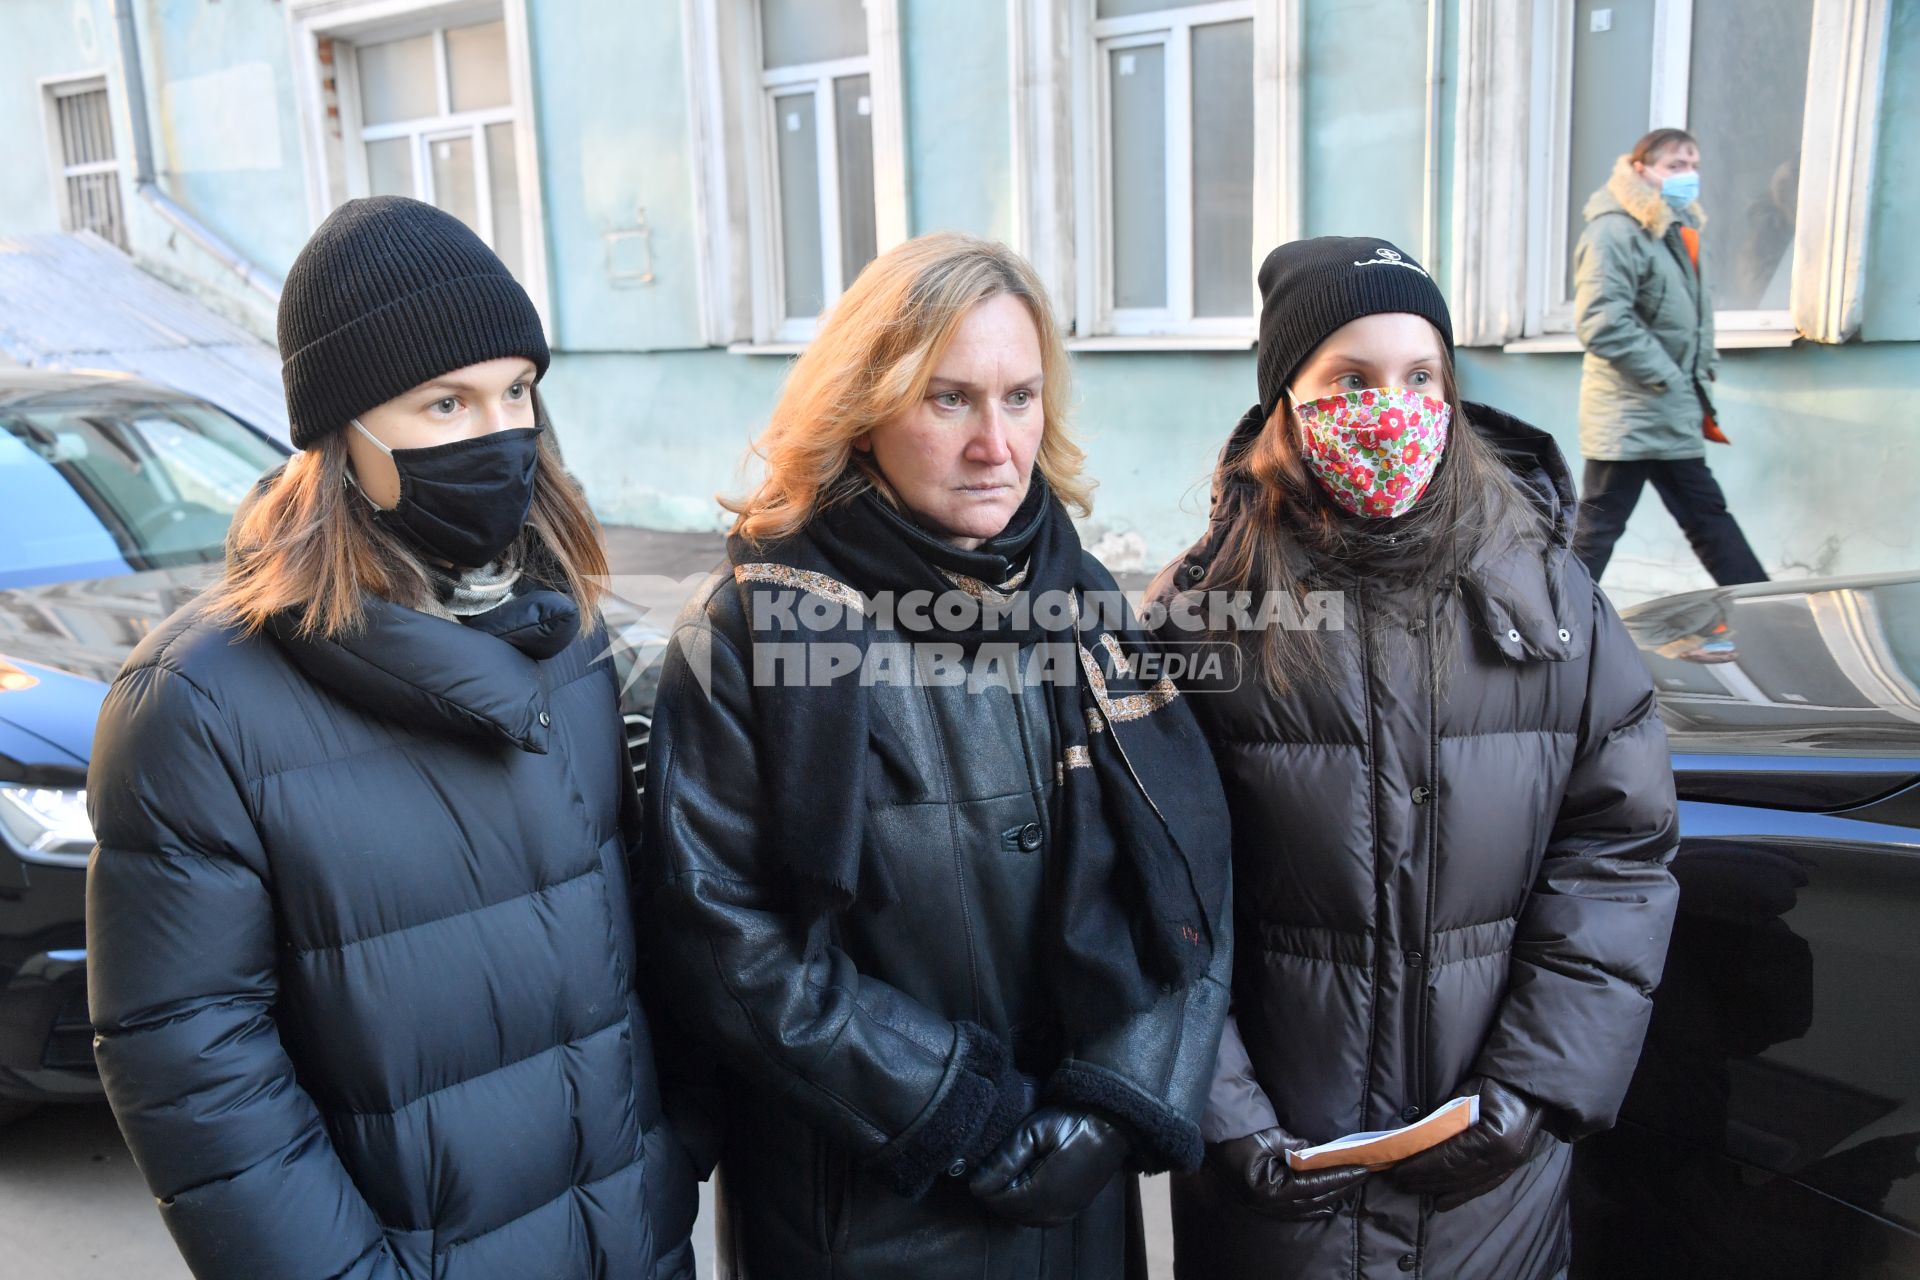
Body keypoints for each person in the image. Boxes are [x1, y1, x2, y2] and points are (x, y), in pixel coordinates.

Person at [85, 197, 698, 1279]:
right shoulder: (196, 703)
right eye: (446, 402)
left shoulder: (567, 635)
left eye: (518, 392)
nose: (501, 435)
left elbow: (639, 940)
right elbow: (195, 1071)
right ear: (340, 436)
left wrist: (671, 1157)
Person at [639, 231, 1233, 1278]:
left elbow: (1192, 874)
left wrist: (1113, 1105)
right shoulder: (750, 629)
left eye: (1019, 397)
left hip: (1075, 1208)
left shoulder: (1083, 596)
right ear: (863, 412)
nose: (995, 444)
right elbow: (728, 944)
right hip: (868, 1215)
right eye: (948, 398)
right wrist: (959, 1108)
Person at [1154, 236, 1682, 1279]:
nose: (1391, 407)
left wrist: (1531, 1090)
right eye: (1350, 379)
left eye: (1419, 376)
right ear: (1286, 404)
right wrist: (1226, 1120)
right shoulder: (1204, 616)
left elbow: (1618, 851)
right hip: (1279, 1188)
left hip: (1493, 1193)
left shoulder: (1549, 599)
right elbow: (1153, 892)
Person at [1571, 127, 1768, 586]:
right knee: (1599, 529)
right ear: (1640, 170)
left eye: (1693, 165)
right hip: (1629, 413)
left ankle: (1765, 611)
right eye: (1675, 166)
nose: (1688, 175)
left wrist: (1690, 376)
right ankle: (1549, 628)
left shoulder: (1672, 228)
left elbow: (1687, 317)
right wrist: (1670, 377)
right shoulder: (1614, 231)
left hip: (1668, 408)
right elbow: (1602, 322)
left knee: (1707, 517)